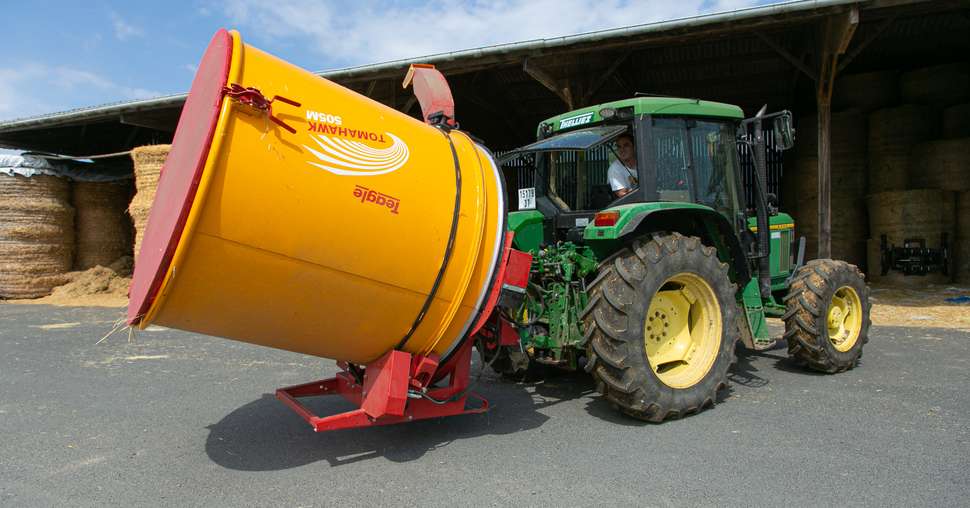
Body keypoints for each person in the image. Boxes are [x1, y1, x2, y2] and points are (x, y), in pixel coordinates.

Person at [607, 133, 638, 198]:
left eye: (626, 145)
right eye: (619, 147)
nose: (622, 150)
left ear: (634, 146)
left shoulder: (642, 163)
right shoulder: (614, 168)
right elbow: (623, 194)